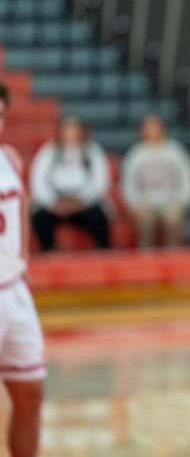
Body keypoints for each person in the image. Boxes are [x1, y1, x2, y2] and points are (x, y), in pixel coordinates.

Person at [0, 82, 46, 456]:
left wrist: (22, 261)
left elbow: (21, 214)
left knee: (30, 391)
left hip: (14, 289)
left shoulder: (10, 158)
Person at [30, 116, 110, 251]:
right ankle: (49, 252)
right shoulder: (49, 151)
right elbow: (38, 182)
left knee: (98, 216)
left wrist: (81, 201)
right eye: (67, 128)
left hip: (83, 203)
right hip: (55, 203)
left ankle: (103, 253)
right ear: (60, 131)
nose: (71, 132)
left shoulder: (92, 151)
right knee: (40, 218)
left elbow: (100, 183)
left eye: (75, 128)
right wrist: (53, 203)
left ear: (82, 131)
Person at [122, 114, 190, 248]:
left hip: (172, 201)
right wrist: (134, 204)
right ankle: (146, 259)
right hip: (145, 202)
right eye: (149, 128)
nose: (152, 131)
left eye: (155, 127)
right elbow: (128, 185)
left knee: (173, 219)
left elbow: (188, 180)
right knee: (145, 221)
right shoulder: (136, 154)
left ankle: (173, 257)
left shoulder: (175, 152)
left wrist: (182, 202)